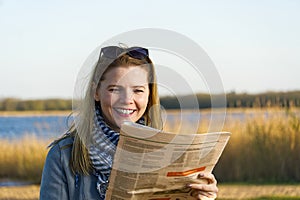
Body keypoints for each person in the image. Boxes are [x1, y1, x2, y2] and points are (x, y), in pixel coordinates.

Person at [40, 45, 219, 200]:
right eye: (115, 89)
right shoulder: (62, 156)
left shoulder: (166, 153)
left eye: (138, 90)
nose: (127, 100)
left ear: (149, 96)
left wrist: (203, 196)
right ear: (96, 92)